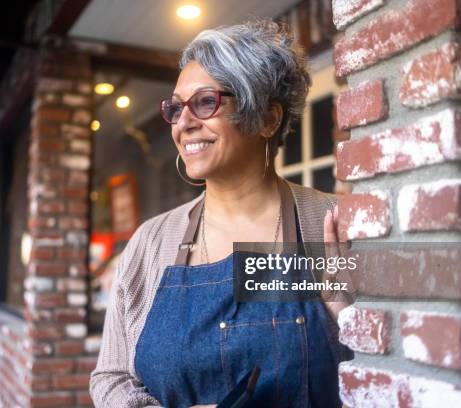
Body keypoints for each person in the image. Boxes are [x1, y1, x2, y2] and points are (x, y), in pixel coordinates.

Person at [90, 19, 353, 408]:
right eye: (176, 108)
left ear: (268, 118)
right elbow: (110, 377)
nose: (183, 123)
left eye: (206, 102)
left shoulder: (333, 225)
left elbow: (389, 370)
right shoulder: (151, 242)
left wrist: (348, 328)